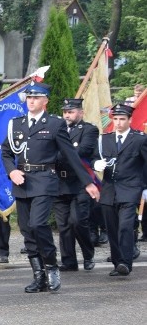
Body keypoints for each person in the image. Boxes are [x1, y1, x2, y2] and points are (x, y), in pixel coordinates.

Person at [0, 83, 100, 293]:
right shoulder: (16, 124)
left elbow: (71, 156)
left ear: (45, 101)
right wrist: (11, 171)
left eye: (36, 98)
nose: (31, 101)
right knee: (27, 231)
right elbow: (6, 151)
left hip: (45, 179)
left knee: (37, 224)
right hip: (22, 181)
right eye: (29, 98)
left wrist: (88, 182)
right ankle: (39, 276)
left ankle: (52, 266)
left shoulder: (54, 124)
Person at [93, 103, 147, 277]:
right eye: (115, 119)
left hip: (130, 189)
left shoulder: (139, 139)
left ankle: (125, 261)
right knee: (112, 228)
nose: (118, 123)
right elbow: (93, 156)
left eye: (122, 119)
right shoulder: (105, 139)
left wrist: (145, 187)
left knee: (125, 226)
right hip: (109, 189)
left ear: (130, 120)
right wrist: (96, 164)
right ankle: (118, 263)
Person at [54, 98, 98, 272]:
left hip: (79, 182)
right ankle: (69, 261)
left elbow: (80, 151)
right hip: (59, 182)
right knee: (64, 224)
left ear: (81, 112)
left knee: (78, 221)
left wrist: (54, 156)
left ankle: (88, 255)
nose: (67, 115)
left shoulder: (89, 130)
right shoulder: (56, 128)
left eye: (71, 112)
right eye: (65, 112)